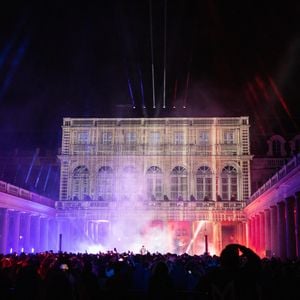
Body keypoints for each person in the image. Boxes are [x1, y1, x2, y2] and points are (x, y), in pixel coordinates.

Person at [196, 243, 262, 300]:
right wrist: (242, 247)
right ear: (237, 261)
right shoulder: (242, 275)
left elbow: (198, 292)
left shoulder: (211, 276)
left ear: (221, 260)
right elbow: (256, 261)